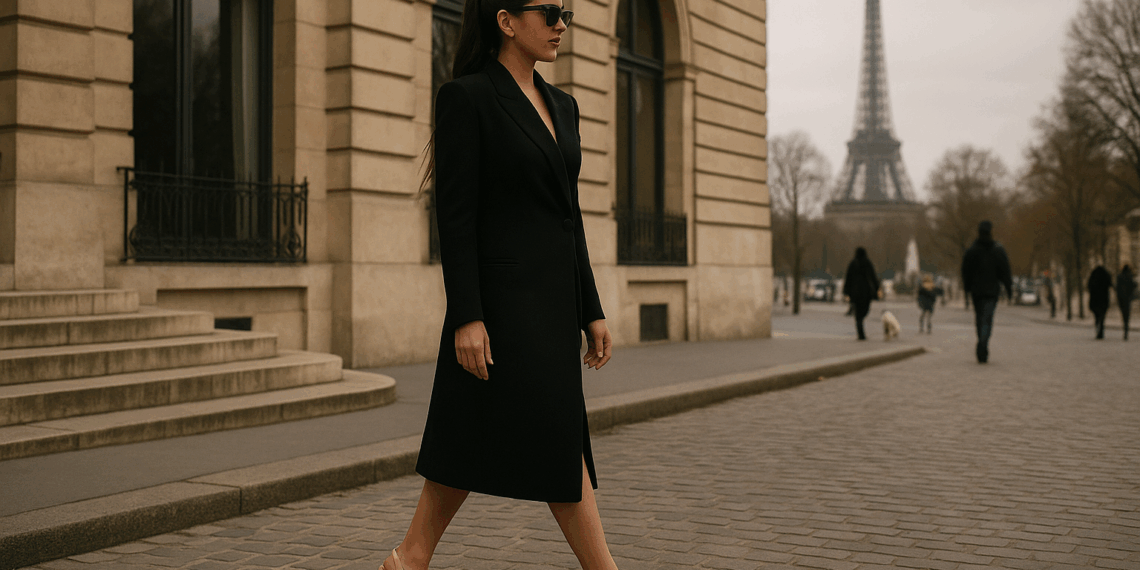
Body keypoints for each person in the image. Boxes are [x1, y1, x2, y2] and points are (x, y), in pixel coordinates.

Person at [382, 2, 617, 569]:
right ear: (507, 22)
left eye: (567, 13)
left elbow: (569, 217)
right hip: (503, 310)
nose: (561, 24)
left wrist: (590, 307)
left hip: (552, 308)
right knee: (553, 439)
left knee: (472, 438)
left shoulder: (565, 106)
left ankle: (409, 558)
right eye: (550, 12)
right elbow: (456, 218)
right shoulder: (467, 98)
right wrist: (467, 315)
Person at [961, 220, 1012, 363]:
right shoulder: (997, 250)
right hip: (991, 291)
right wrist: (1008, 289)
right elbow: (1005, 271)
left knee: (979, 319)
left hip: (977, 291)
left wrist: (967, 288)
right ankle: (983, 343)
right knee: (987, 319)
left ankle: (981, 342)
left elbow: (965, 271)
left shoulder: (972, 251)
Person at [843, 247, 882, 340]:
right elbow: (873, 276)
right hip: (865, 292)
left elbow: (848, 278)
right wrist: (877, 288)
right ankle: (861, 331)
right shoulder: (867, 263)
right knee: (865, 310)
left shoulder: (853, 263)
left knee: (858, 314)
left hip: (855, 292)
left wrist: (846, 291)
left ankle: (860, 331)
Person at [1088, 265, 1113, 340]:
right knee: (1102, 316)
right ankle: (1101, 331)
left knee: (1096, 316)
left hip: (1095, 300)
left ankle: (1097, 328)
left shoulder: (1093, 275)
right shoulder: (1106, 276)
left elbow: (1089, 286)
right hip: (1104, 299)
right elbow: (1110, 284)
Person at [1117, 265, 1136, 340]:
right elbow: (1133, 285)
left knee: (1124, 314)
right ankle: (1126, 329)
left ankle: (1125, 328)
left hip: (1121, 299)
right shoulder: (1129, 276)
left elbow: (1117, 287)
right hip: (1127, 299)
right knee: (1127, 315)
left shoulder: (1120, 277)